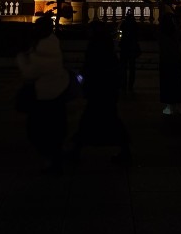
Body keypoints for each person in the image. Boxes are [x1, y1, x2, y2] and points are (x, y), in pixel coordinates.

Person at [16, 13, 70, 175]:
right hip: (58, 92)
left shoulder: (42, 50)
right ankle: (55, 156)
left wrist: (20, 58)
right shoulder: (52, 43)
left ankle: (51, 159)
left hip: (44, 95)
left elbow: (29, 72)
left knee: (39, 130)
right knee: (55, 128)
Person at [71, 19, 131, 164]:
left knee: (95, 119)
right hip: (105, 89)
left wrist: (83, 79)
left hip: (99, 89)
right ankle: (76, 149)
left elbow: (91, 67)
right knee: (105, 119)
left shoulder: (96, 46)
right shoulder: (106, 45)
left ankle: (76, 149)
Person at [158, 8, 181, 115]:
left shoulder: (161, 34)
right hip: (176, 61)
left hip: (165, 61)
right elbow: (180, 29)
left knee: (167, 84)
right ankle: (180, 106)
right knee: (178, 83)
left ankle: (169, 107)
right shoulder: (175, 33)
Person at [118, 8, 141, 92]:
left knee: (123, 67)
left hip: (124, 48)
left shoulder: (124, 24)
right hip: (132, 47)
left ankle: (123, 84)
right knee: (132, 68)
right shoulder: (134, 25)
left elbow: (119, 31)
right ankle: (130, 85)